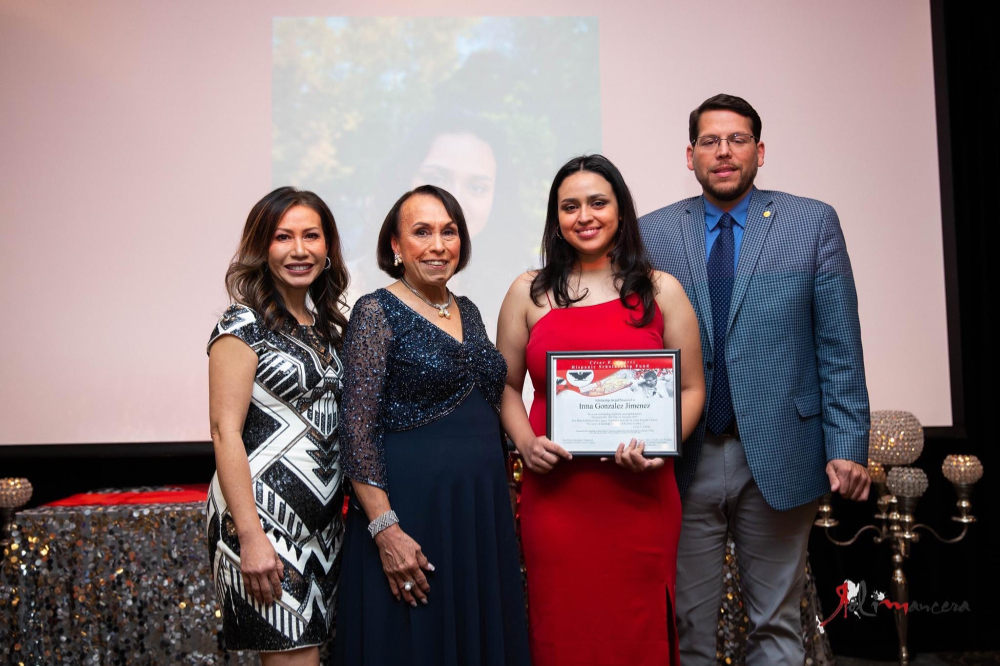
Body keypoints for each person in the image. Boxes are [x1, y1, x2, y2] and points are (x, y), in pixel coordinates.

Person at [638, 94, 871, 665]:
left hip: (782, 450)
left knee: (776, 623)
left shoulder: (811, 222)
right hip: (684, 455)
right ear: (690, 156)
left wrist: (847, 443)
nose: (724, 152)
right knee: (686, 626)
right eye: (710, 141)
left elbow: (838, 344)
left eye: (737, 139)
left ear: (759, 152)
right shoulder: (652, 233)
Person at [496, 154, 706, 666]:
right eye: (570, 206)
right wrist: (525, 443)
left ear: (620, 210)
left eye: (597, 203)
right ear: (556, 218)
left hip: (640, 497)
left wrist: (660, 448)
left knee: (639, 634)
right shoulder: (528, 292)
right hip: (556, 498)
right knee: (562, 630)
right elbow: (505, 386)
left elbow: (691, 390)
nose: (584, 216)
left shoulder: (661, 290)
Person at [333, 185, 530, 666]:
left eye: (449, 231)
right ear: (396, 246)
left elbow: (489, 403)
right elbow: (356, 430)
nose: (438, 245)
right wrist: (385, 530)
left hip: (479, 512)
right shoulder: (375, 311)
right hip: (411, 512)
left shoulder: (470, 310)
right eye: (422, 232)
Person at [206, 186, 350, 664]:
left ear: (328, 248)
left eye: (312, 236)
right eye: (283, 237)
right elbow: (224, 431)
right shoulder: (241, 325)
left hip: (324, 528)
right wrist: (250, 535)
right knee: (294, 657)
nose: (299, 250)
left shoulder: (330, 326)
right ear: (261, 247)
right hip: (262, 521)